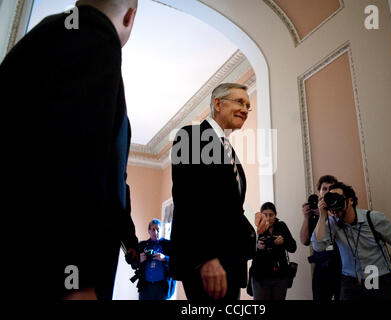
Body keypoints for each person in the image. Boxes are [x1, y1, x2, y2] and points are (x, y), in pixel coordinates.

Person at [1, 0, 140, 300]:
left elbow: (110, 180)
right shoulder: (95, 37)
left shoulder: (50, 37)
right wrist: (76, 277)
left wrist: (128, 240)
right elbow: (73, 156)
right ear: (130, 15)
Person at [169, 83, 267, 301]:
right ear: (217, 104)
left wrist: (253, 217)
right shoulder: (191, 136)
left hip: (232, 260)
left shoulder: (229, 151)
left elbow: (229, 203)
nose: (245, 109)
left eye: (248, 105)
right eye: (239, 101)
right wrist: (206, 258)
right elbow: (188, 200)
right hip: (207, 262)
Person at [312, 182, 391, 300]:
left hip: (378, 276)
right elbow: (318, 246)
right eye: (331, 199)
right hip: (350, 280)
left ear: (351, 200)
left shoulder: (373, 218)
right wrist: (322, 216)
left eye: (338, 198)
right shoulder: (332, 223)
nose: (334, 202)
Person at [300, 175, 342, 300]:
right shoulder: (314, 212)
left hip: (341, 266)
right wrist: (306, 217)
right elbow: (304, 241)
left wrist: (326, 214)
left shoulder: (340, 208)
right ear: (319, 192)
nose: (327, 191)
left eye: (331, 188)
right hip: (321, 267)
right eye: (324, 189)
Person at [250, 202, 297, 300]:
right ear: (261, 215)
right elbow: (247, 250)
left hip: (280, 275)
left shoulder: (281, 226)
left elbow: (293, 248)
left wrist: (283, 241)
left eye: (271, 215)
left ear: (275, 215)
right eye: (265, 215)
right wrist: (256, 246)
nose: (268, 218)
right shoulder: (255, 227)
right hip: (260, 276)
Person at [132, 219, 175, 300]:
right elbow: (133, 265)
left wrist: (165, 258)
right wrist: (139, 260)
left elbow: (178, 261)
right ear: (149, 231)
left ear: (162, 231)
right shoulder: (142, 245)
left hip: (162, 288)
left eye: (158, 230)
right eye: (153, 229)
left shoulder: (168, 245)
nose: (156, 232)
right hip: (145, 287)